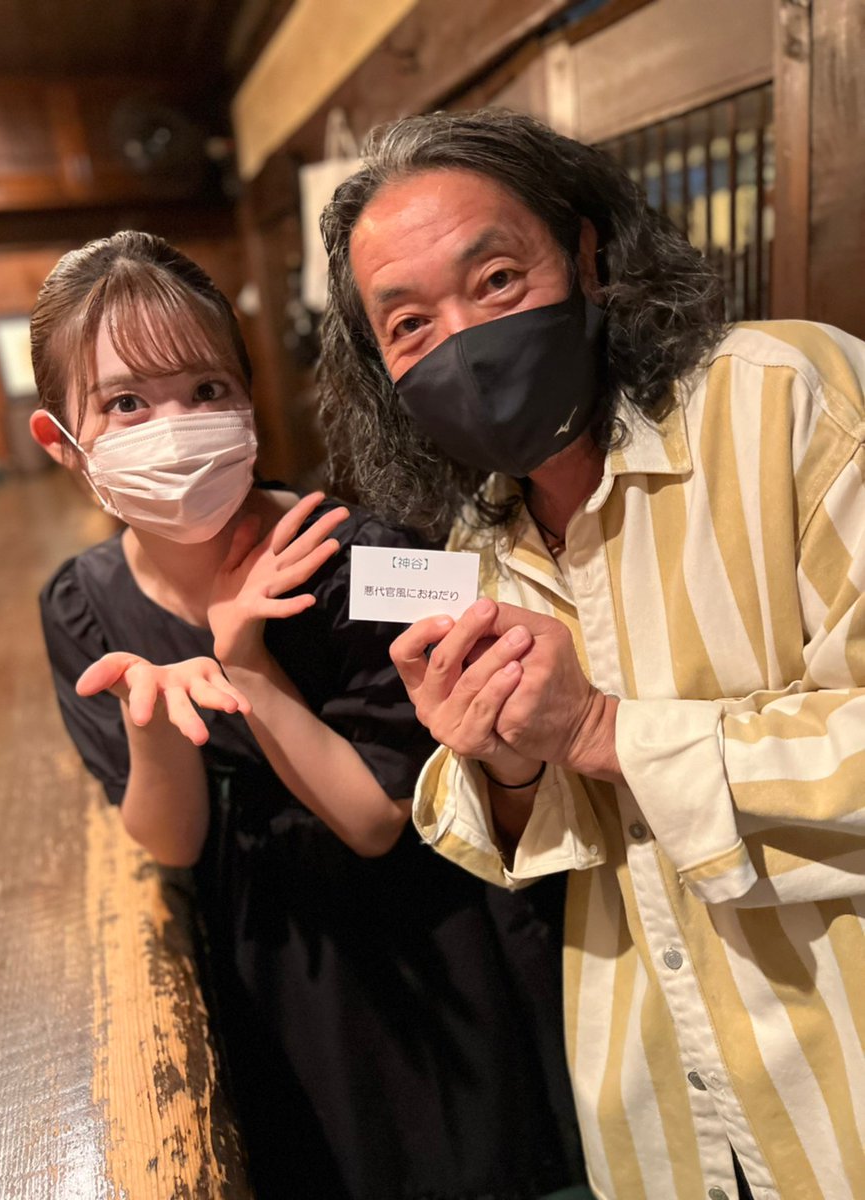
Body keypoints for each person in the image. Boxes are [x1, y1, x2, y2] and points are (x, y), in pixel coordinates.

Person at [316, 108, 865, 1200]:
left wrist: (605, 730)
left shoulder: (787, 396)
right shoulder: (475, 545)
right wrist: (506, 762)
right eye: (410, 322)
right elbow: (541, 841)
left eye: (497, 280)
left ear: (586, 254)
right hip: (656, 1098)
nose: (463, 340)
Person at [29, 230, 590, 1200]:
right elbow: (170, 840)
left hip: (425, 949)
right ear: (63, 444)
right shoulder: (80, 603)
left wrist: (243, 662)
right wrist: (151, 720)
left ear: (248, 401)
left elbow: (375, 820)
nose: (177, 425)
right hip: (271, 959)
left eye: (206, 389)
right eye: (126, 403)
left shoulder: (372, 558)